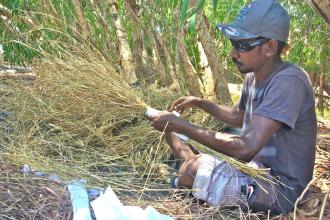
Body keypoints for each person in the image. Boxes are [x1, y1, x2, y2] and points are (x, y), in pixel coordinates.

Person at [147, 0, 317, 215]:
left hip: (279, 186)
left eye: (243, 45)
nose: (233, 53)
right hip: (253, 168)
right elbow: (239, 116)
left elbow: (246, 148)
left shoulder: (289, 81)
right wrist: (200, 103)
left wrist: (186, 125)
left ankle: (189, 175)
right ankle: (193, 174)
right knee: (172, 131)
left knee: (193, 166)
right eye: (233, 43)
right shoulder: (253, 76)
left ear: (270, 47)